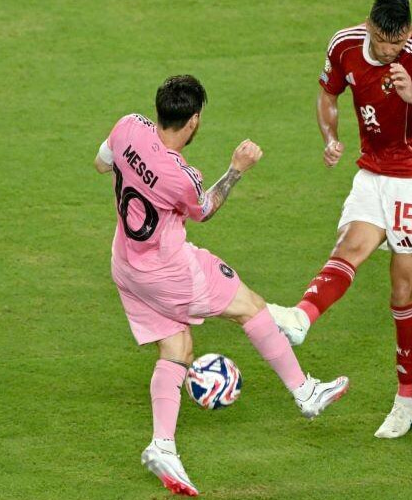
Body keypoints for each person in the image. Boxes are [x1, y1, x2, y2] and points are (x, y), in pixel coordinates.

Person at [94, 75, 349, 497]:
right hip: (171, 271)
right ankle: (305, 393)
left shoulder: (128, 126)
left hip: (126, 266)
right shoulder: (183, 176)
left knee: (177, 350)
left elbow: (102, 164)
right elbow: (205, 209)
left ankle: (162, 446)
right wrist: (236, 170)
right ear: (194, 120)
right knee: (249, 306)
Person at [267, 0, 412, 439]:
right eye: (380, 39)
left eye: (397, 42)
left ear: (408, 31)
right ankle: (301, 318)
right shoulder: (344, 45)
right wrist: (330, 137)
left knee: (402, 292)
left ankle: (407, 402)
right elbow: (328, 94)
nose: (388, 49)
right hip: (374, 172)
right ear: (369, 25)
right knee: (350, 247)